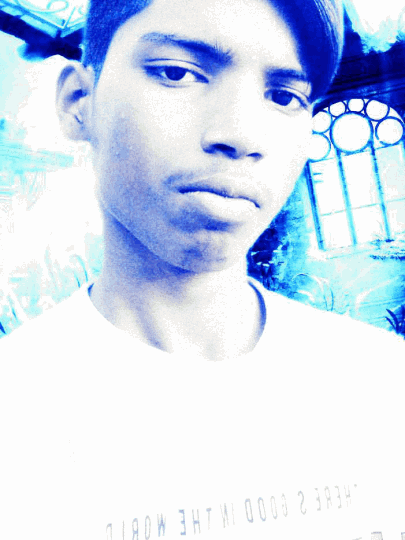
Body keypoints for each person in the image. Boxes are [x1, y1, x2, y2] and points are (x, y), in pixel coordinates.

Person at [1, 0, 404, 538]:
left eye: (284, 97)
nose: (241, 135)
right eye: (177, 73)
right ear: (79, 102)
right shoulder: (17, 418)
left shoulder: (382, 382)